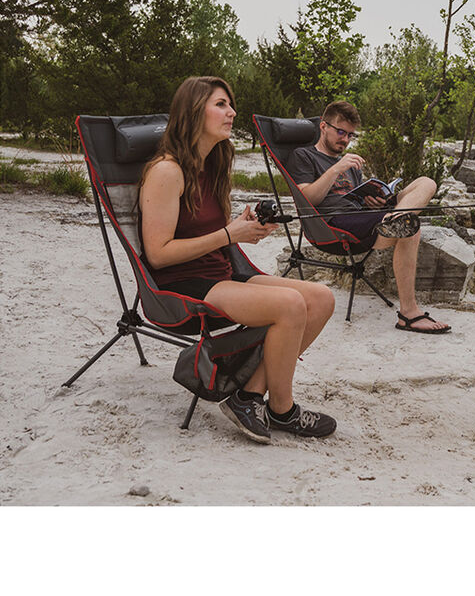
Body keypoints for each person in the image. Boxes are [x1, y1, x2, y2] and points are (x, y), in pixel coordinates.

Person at [139, 76, 337, 444]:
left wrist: (245, 227)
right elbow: (158, 254)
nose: (231, 112)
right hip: (183, 285)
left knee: (321, 298)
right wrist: (231, 235)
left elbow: (213, 232)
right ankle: (282, 409)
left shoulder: (212, 163)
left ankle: (247, 397)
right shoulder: (167, 171)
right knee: (291, 306)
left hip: (222, 272)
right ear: (193, 112)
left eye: (230, 104)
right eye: (221, 104)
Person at [287, 101, 451, 334]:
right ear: (323, 126)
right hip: (333, 224)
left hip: (363, 216)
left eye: (350, 135)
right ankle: (409, 313)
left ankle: (392, 219)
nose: (345, 139)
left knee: (426, 183)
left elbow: (355, 197)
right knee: (409, 228)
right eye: (340, 132)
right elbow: (308, 200)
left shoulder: (351, 164)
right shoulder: (303, 155)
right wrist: (336, 169)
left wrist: (373, 201)